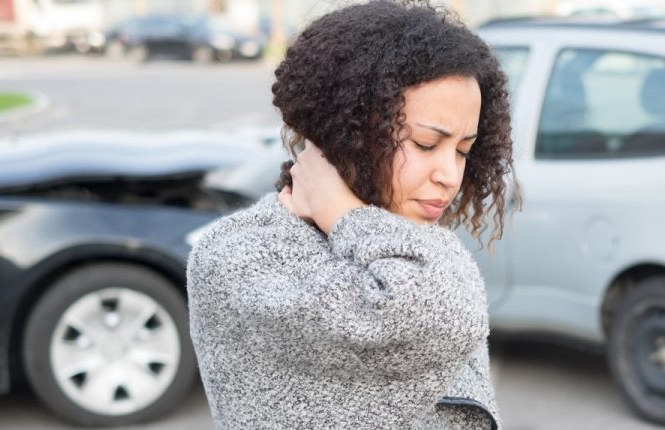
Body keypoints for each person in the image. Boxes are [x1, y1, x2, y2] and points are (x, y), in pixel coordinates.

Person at [186, 1, 517, 428]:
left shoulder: (398, 239)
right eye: (425, 144)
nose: (449, 176)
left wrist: (342, 213)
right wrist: (338, 209)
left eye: (463, 151)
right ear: (348, 128)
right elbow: (443, 310)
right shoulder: (239, 254)